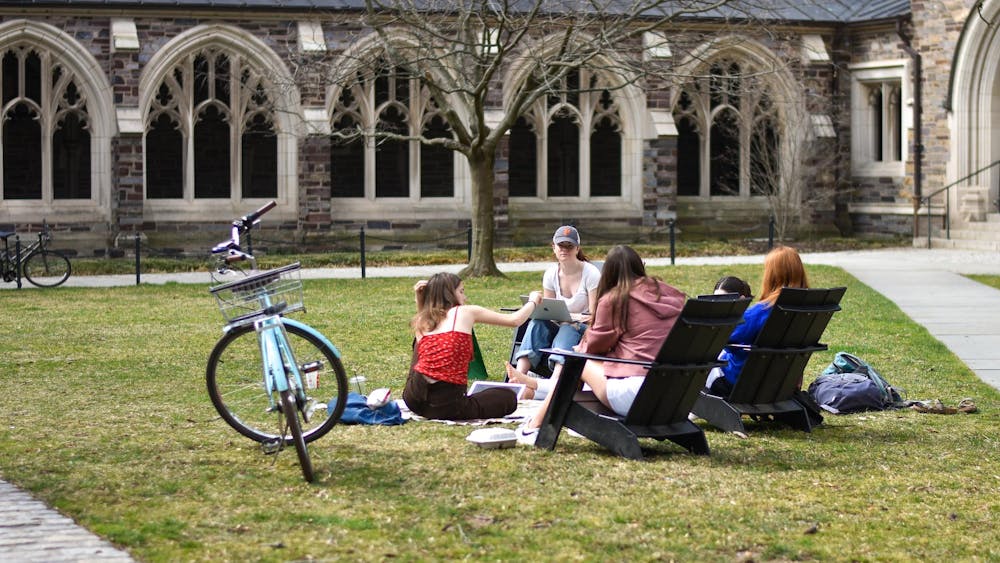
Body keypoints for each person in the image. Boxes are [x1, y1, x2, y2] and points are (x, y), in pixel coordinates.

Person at [517, 245, 686, 442]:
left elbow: (592, 347)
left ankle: (535, 425)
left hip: (637, 396)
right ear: (640, 266)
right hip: (675, 395)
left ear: (608, 273)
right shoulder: (669, 295)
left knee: (577, 361)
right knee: (584, 362)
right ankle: (550, 405)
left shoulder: (616, 299)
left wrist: (581, 347)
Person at [402, 272, 543, 420]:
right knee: (508, 397)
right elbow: (515, 320)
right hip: (447, 405)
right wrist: (532, 301)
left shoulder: (424, 321)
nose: (465, 297)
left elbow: (424, 339)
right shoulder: (465, 312)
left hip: (413, 398)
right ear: (449, 294)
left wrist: (420, 299)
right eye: (461, 291)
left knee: (422, 342)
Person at [506, 225, 601, 400]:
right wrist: (560, 318)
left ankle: (555, 381)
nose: (564, 250)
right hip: (558, 325)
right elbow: (547, 310)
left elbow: (596, 316)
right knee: (536, 322)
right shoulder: (551, 274)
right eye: (560, 246)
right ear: (554, 248)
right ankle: (518, 376)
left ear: (577, 248)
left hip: (581, 329)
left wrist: (573, 319)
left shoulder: (591, 273)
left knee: (568, 328)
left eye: (569, 246)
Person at [707, 246, 810, 397]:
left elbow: (723, 339)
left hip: (740, 384)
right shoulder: (808, 308)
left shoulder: (760, 312)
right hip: (781, 384)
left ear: (771, 275)